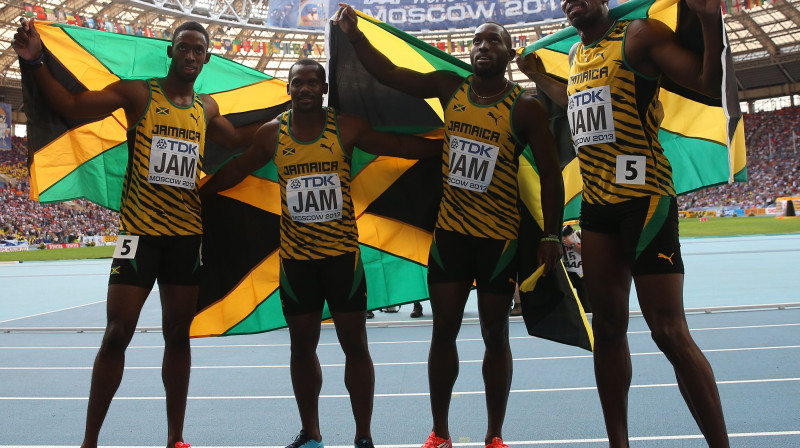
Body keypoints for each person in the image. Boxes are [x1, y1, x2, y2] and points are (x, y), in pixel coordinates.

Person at [13, 19, 259, 448]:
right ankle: (90, 441)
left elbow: (237, 139)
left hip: (186, 238)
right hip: (138, 236)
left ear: (206, 57)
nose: (189, 55)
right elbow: (72, 105)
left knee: (178, 336)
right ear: (171, 51)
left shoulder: (207, 109)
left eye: (198, 50)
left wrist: (298, 118)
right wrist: (34, 61)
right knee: (115, 334)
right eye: (183, 47)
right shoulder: (139, 93)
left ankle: (176, 438)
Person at [334, 7, 565, 448]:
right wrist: (356, 36)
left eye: (493, 40)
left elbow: (551, 175)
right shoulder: (448, 87)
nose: (483, 46)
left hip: (498, 240)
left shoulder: (526, 108)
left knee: (495, 334)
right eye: (478, 40)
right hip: (451, 237)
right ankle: (439, 432)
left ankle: (494, 434)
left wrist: (552, 235)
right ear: (469, 50)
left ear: (509, 51)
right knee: (444, 331)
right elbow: (391, 74)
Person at [517, 0, 730, 446]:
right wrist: (538, 77)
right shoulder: (576, 55)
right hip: (597, 207)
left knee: (668, 331)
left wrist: (709, 21)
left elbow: (710, 85)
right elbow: (573, 99)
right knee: (608, 328)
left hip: (645, 200)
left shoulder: (639, 35)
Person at [200, 58, 441, 448]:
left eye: (314, 83)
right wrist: (200, 194)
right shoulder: (271, 134)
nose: (306, 89)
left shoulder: (345, 127)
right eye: (299, 83)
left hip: (341, 258)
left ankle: (363, 434)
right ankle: (311, 432)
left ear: (324, 89)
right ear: (289, 89)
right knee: (301, 347)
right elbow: (239, 168)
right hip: (296, 263)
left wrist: (445, 146)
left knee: (355, 345)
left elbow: (397, 146)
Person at [561, 225, 588, 312]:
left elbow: (588, 253)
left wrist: (571, 244)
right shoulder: (558, 239)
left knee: (587, 307)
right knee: (565, 304)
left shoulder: (580, 235)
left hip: (582, 273)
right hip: (567, 273)